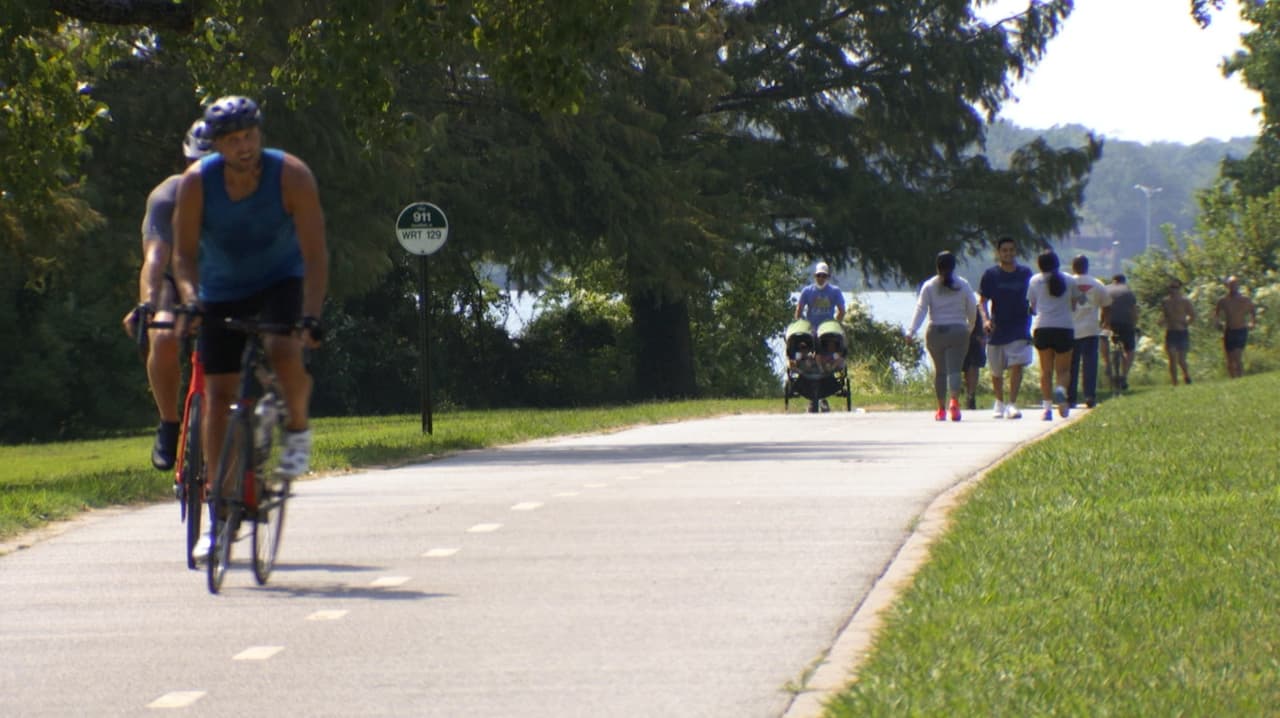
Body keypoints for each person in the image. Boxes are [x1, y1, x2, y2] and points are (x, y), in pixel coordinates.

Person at [172, 96, 328, 562]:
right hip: (221, 287)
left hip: (280, 279)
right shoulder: (198, 183)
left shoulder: (291, 175)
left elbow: (316, 253)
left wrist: (312, 313)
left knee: (283, 350)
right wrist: (191, 299)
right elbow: (182, 256)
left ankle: (297, 430)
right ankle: (217, 515)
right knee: (217, 397)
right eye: (234, 140)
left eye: (251, 136)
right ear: (217, 145)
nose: (245, 146)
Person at [122, 119, 213, 470]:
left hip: (225, 280)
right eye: (196, 165)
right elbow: (155, 258)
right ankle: (169, 423)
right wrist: (145, 303)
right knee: (162, 333)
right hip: (176, 280)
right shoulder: (167, 197)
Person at [906, 251, 977, 422]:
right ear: (953, 266)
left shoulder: (929, 286)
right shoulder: (963, 284)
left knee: (940, 371)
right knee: (955, 369)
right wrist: (970, 326)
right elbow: (972, 307)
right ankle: (954, 401)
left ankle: (940, 409)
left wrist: (911, 331)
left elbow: (921, 309)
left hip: (935, 331)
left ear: (937, 266)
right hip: (958, 331)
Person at [978, 236, 1033, 419]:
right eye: (1004, 250)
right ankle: (999, 401)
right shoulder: (991, 275)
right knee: (996, 370)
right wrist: (985, 320)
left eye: (1011, 250)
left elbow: (1033, 297)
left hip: (1019, 327)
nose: (1008, 253)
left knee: (1016, 366)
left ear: (1015, 251)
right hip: (997, 328)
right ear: (998, 253)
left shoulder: (1025, 273)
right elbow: (982, 301)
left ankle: (1012, 403)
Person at [1027, 250, 1082, 420]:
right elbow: (1076, 303)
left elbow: (1032, 307)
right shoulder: (1069, 279)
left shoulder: (1035, 280)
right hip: (1064, 328)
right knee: (1063, 370)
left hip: (1042, 327)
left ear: (1039, 265)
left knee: (1046, 370)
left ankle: (1047, 408)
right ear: (1057, 263)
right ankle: (1061, 391)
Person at [795, 261, 846, 412]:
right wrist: (800, 323)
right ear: (815, 276)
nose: (821, 278)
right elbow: (799, 310)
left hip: (827, 331)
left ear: (827, 276)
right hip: (812, 330)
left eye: (823, 276)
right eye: (818, 276)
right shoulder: (807, 291)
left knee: (826, 357)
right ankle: (814, 398)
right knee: (809, 357)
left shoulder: (834, 291)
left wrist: (836, 324)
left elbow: (841, 310)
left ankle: (822, 397)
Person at [1067, 255, 1111, 408]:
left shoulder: (1068, 283)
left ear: (1073, 266)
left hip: (1071, 329)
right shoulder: (1097, 284)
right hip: (1091, 329)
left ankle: (1070, 398)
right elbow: (1106, 305)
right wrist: (1104, 321)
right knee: (1090, 364)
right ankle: (1089, 396)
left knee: (1071, 365)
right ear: (1087, 266)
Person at [1213, 275, 1258, 378]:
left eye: (1235, 284)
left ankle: (1240, 377)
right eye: (1230, 285)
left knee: (1237, 356)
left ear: (1238, 285)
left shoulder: (1245, 299)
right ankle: (1233, 380)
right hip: (1229, 331)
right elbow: (1216, 314)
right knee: (1229, 359)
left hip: (1241, 330)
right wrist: (1217, 322)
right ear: (1227, 286)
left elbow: (1253, 311)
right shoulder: (1223, 301)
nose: (1233, 287)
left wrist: (1253, 322)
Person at [1103, 274, 1139, 391]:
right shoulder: (1129, 291)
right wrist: (1134, 325)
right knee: (1130, 350)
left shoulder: (1106, 289)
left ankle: (1107, 363)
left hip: (1110, 323)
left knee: (1103, 337)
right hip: (1126, 323)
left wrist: (1103, 323)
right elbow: (1134, 311)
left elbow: (1104, 308)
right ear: (1124, 282)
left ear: (1113, 281)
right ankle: (1124, 375)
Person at [1158, 278, 1196, 386]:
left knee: (1181, 359)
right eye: (1171, 287)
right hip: (1170, 332)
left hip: (1182, 332)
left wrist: (1187, 323)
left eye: (1176, 287)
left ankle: (1186, 375)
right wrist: (1161, 321)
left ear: (1179, 288)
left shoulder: (1185, 301)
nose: (1173, 290)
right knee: (1172, 358)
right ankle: (1175, 383)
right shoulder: (1165, 301)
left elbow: (1192, 315)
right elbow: (1164, 315)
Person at [961, 317, 986, 411]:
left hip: (973, 314)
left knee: (974, 361)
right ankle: (961, 397)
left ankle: (970, 397)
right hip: (957, 316)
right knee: (958, 362)